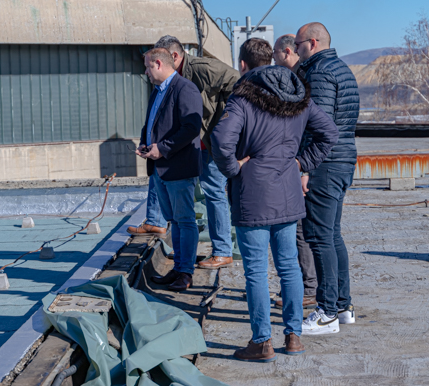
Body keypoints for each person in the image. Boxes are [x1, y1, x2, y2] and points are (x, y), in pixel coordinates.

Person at [211, 38, 338, 361]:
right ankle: (293, 337)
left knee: (256, 270)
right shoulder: (297, 93)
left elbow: (221, 139)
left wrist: (233, 169)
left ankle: (262, 342)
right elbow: (329, 133)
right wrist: (300, 163)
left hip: (253, 193)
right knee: (289, 266)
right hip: (288, 191)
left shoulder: (243, 97)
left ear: (243, 64)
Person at [129, 35, 239, 269]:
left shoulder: (202, 69)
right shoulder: (162, 85)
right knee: (159, 178)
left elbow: (238, 84)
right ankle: (157, 223)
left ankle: (222, 251)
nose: (147, 72)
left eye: (151, 64)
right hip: (186, 147)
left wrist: (224, 122)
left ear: (173, 57)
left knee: (213, 192)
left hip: (208, 142)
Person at [294, 22, 360, 335]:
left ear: (313, 42)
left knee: (319, 237)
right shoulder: (342, 69)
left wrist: (305, 167)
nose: (296, 51)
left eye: (298, 45)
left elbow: (317, 125)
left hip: (324, 164)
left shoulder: (319, 73)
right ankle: (343, 307)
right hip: (342, 160)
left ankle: (327, 313)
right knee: (332, 235)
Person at [137, 48, 203, 292]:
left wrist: (162, 149)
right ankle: (178, 268)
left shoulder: (185, 89)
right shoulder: (158, 91)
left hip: (178, 167)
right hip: (160, 168)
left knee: (185, 220)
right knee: (174, 220)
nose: (145, 72)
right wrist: (145, 144)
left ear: (158, 63)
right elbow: (152, 124)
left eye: (147, 66)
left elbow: (191, 127)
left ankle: (186, 272)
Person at [273, 34, 318, 310]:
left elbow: (308, 129)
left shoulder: (300, 80)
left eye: (275, 55)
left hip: (300, 166)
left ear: (287, 52)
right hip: (298, 163)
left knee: (300, 231)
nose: (273, 60)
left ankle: (308, 288)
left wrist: (303, 168)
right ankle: (302, 285)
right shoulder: (298, 77)